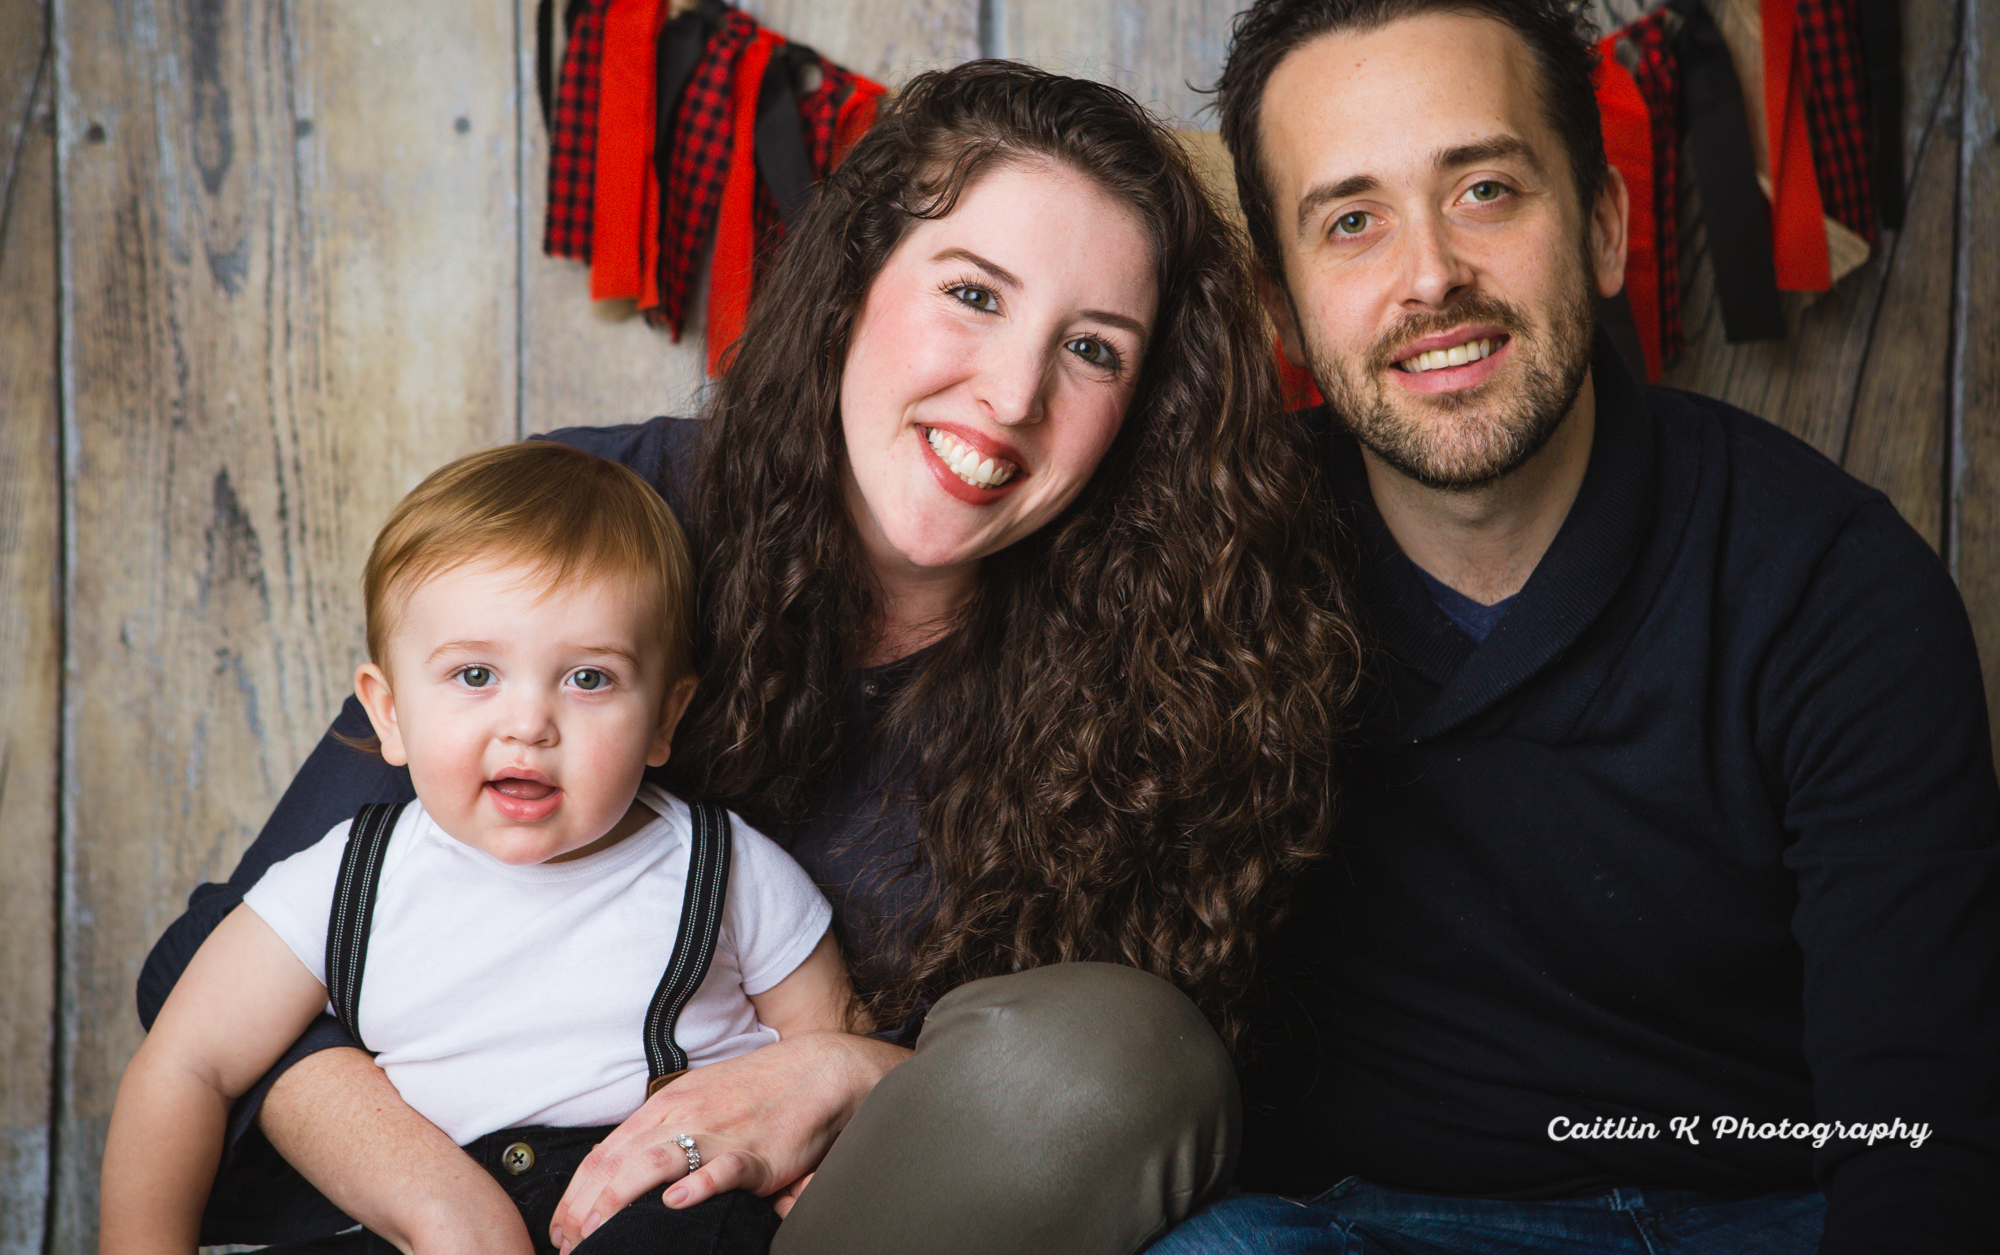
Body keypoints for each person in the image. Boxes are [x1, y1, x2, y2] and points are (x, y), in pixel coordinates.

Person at [135, 61, 1365, 1255]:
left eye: (1092, 349)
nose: (1009, 395)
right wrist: (443, 1205)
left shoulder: (1171, 671)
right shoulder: (599, 528)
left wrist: (848, 1072)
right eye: (973, 294)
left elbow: (1107, 1100)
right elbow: (213, 966)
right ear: (852, 284)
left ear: (1144, 411)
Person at [1151, 0, 2000, 1255]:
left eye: (1484, 189)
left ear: (1603, 227)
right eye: (1352, 221)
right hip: (1364, 1226)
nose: (1430, 275)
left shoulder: (1832, 584)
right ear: (1283, 308)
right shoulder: (1211, 563)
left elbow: (1923, 1123)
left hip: (1771, 1209)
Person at [101, 441, 853, 1254]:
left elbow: (832, 1066)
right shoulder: (348, 880)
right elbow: (187, 1065)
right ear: (389, 712)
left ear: (665, 718)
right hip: (429, 1223)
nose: (528, 724)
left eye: (589, 679)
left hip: (658, 1207)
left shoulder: (725, 869)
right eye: (475, 676)